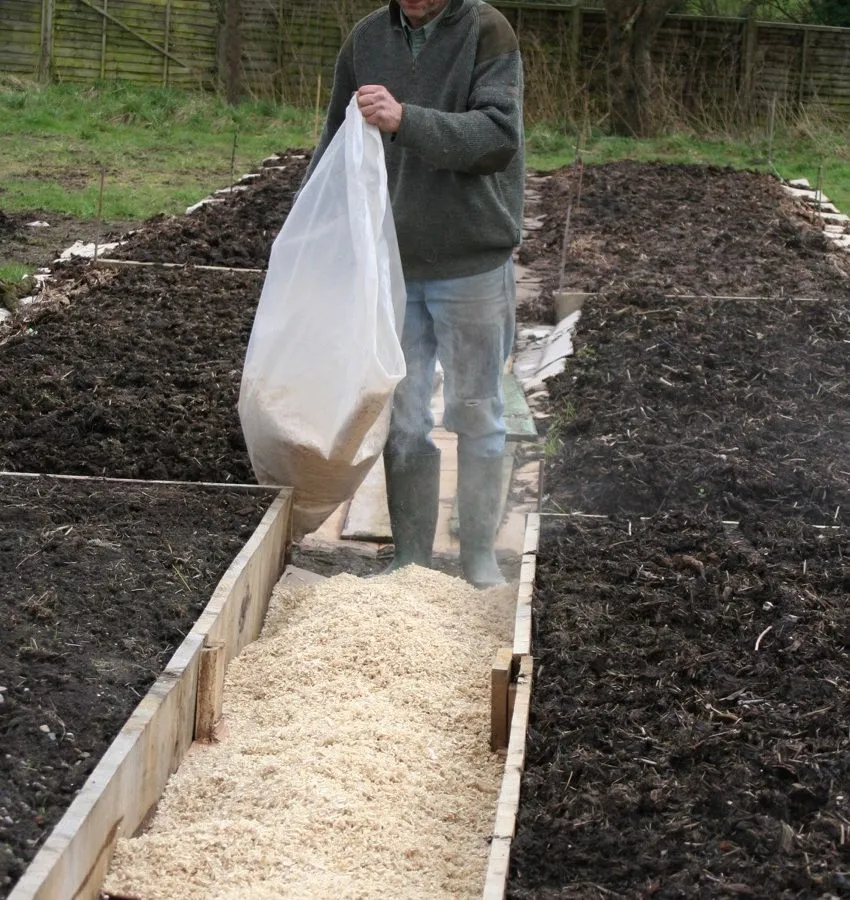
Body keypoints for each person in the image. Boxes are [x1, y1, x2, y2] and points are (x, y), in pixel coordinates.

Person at [302, 0, 525, 588]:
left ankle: (478, 559)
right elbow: (333, 142)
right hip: (391, 263)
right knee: (402, 420)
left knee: (478, 413)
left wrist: (408, 119)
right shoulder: (366, 39)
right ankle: (412, 564)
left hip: (472, 259)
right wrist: (305, 234)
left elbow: (498, 137)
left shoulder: (486, 29)